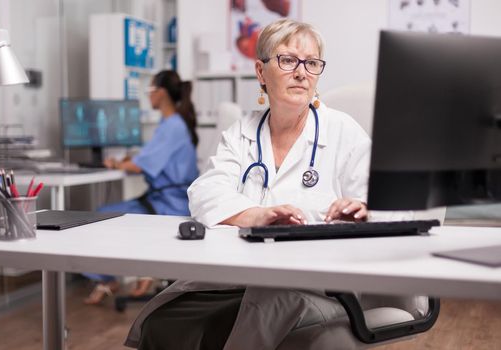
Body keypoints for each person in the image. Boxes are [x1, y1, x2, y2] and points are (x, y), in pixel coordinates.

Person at [125, 19, 370, 349]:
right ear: (260, 71)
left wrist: (360, 210)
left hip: (316, 284)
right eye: (288, 60)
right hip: (241, 279)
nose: (302, 72)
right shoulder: (241, 134)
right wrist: (257, 215)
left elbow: (384, 205)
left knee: (265, 305)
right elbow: (205, 193)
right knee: (163, 323)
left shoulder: (344, 132)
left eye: (311, 63)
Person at [83, 70, 199, 305]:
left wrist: (118, 162)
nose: (148, 97)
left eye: (150, 91)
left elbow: (141, 165)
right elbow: (150, 157)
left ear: (161, 93)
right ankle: (137, 273)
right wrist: (130, 159)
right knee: (107, 212)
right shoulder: (172, 123)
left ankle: (108, 278)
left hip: (169, 204)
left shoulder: (172, 126)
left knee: (98, 217)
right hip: (167, 199)